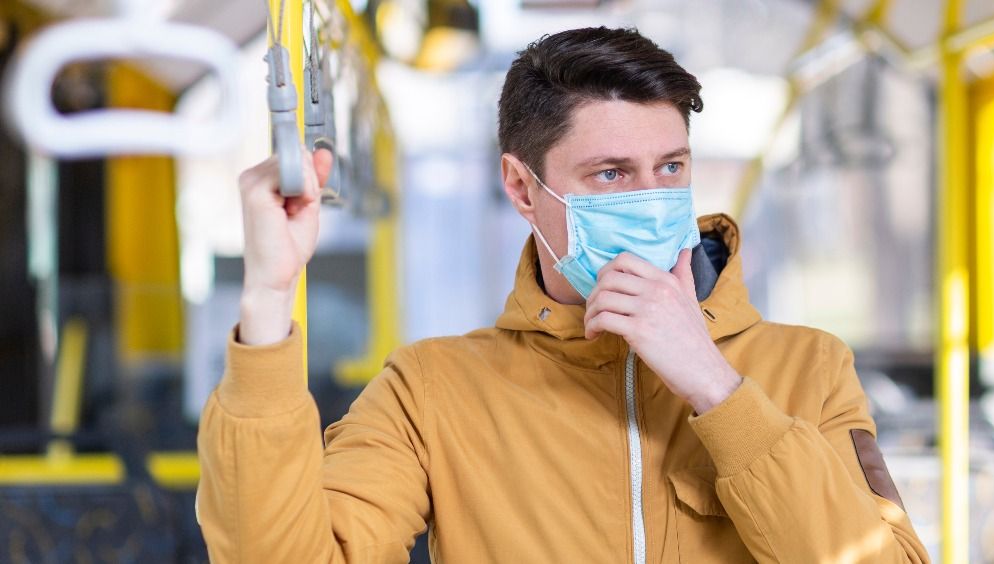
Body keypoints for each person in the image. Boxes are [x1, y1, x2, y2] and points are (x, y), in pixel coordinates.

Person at [197, 26, 930, 563]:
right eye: (611, 174)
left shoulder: (810, 367)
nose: (651, 198)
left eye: (671, 168)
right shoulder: (431, 390)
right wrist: (268, 296)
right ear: (522, 188)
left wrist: (718, 388)